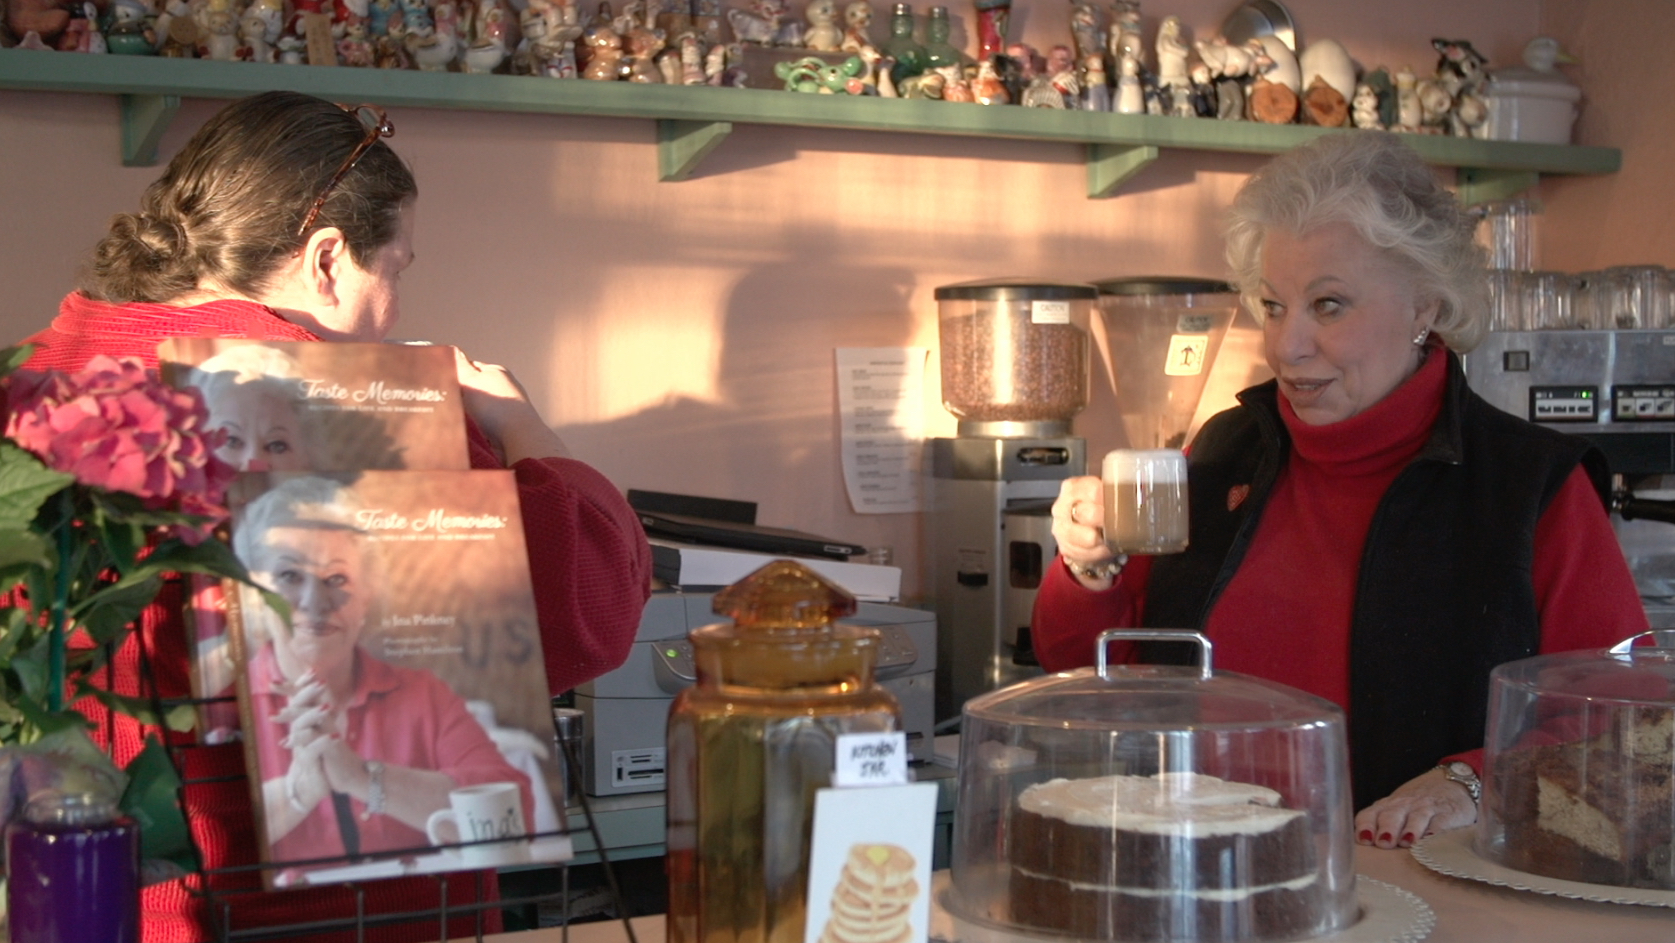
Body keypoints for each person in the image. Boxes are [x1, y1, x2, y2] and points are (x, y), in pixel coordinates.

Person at [10, 91, 652, 942]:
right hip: (318, 913)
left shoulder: (35, 383)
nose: (396, 311)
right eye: (397, 269)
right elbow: (588, 613)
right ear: (326, 259)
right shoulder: (357, 409)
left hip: (66, 897)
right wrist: (519, 422)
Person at [1032, 131, 1647, 853]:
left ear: (1425, 307)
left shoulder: (1526, 483)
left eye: (1327, 305)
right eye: (1270, 304)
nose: (1285, 345)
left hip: (1410, 894)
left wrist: (1469, 780)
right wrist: (1086, 567)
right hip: (1198, 875)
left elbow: (1619, 723)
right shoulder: (1225, 448)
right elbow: (1086, 668)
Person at [232, 476, 534, 875]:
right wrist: (297, 793)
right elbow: (195, 841)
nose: (314, 602)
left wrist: (363, 778)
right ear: (254, 592)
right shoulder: (227, 700)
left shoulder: (422, 693)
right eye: (289, 576)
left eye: (337, 578)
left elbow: (516, 815)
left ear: (368, 595)